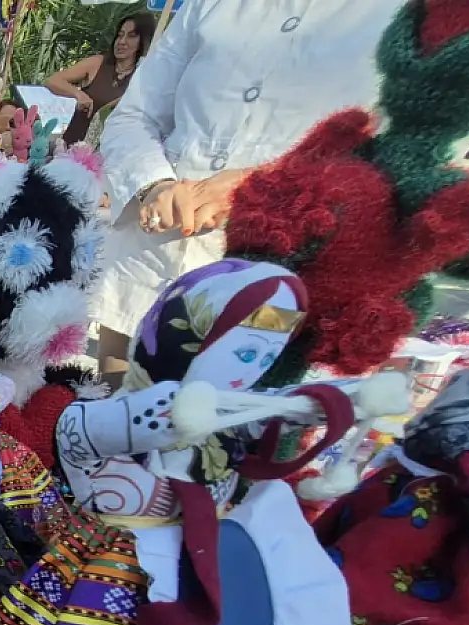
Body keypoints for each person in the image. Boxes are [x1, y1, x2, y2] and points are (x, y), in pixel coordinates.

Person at [90, 0, 405, 376]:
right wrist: (155, 184)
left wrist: (257, 183)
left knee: (232, 421)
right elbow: (135, 114)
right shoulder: (211, 5)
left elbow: (398, 157)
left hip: (283, 276)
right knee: (113, 416)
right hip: (149, 259)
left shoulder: (401, 15)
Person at [45, 11, 153, 145]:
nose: (122, 42)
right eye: (120, 35)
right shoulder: (98, 63)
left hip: (112, 153)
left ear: (145, 41)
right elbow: (53, 81)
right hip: (72, 149)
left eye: (131, 36)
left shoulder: (144, 76)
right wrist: (78, 94)